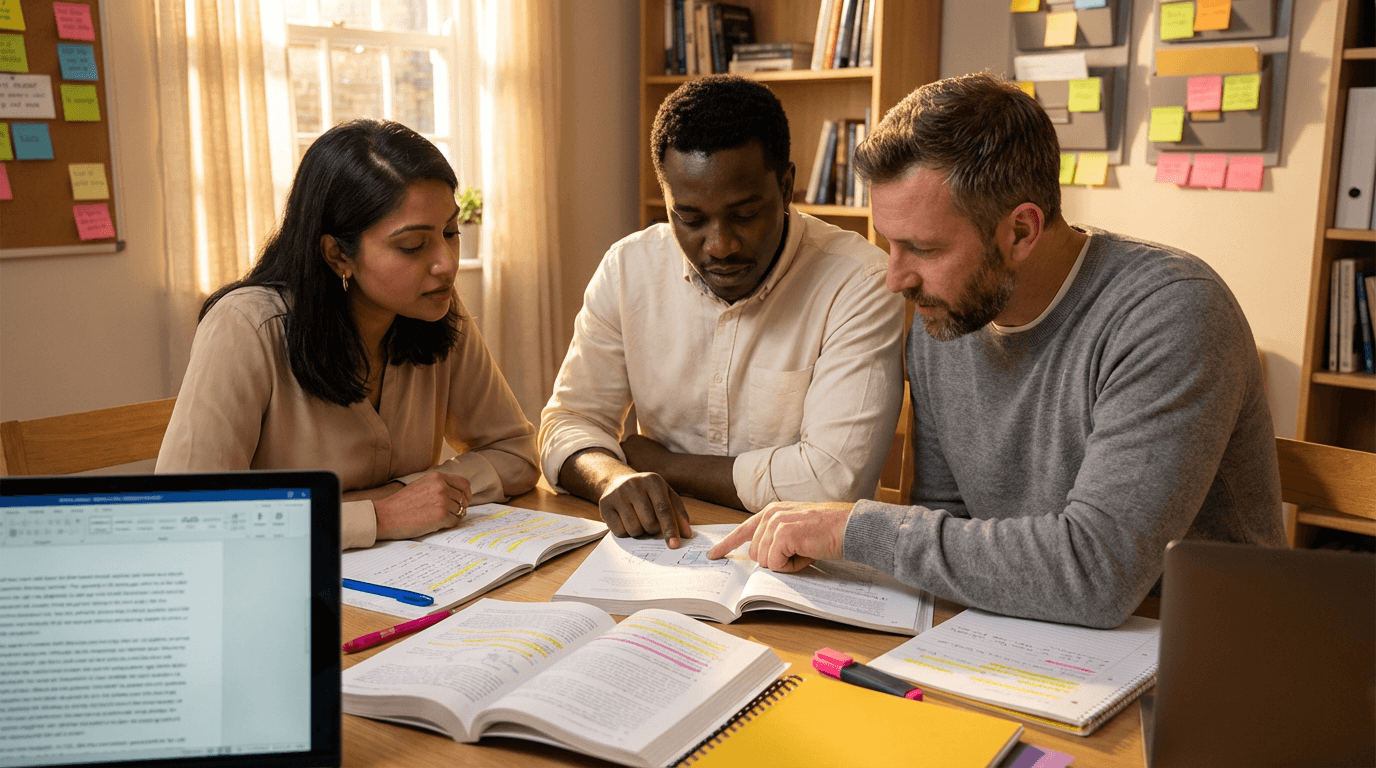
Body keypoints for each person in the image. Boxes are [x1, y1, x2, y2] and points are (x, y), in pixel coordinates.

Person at [708, 73, 1286, 628]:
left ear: (1021, 232)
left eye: (923, 248)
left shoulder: (1170, 312)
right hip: (1027, 634)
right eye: (889, 244)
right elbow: (944, 528)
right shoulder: (948, 320)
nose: (895, 279)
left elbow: (1098, 572)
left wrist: (853, 528)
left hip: (1204, 655)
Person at [540, 75, 904, 548]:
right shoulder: (629, 267)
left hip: (807, 566)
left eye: (745, 214)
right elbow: (567, 421)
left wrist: (663, 465)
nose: (719, 245)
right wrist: (611, 476)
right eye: (689, 218)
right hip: (664, 551)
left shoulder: (859, 281)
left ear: (787, 185)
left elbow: (832, 484)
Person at [157, 119, 539, 550]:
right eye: (412, 246)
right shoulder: (246, 327)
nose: (446, 263)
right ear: (338, 254)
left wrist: (401, 494)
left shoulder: (435, 310)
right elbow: (185, 516)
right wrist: (378, 514)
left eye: (451, 233)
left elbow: (517, 453)